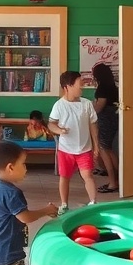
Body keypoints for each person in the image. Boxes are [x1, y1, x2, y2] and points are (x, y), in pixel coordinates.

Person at [48, 70, 99, 215]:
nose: (81, 87)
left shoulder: (86, 104)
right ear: (67, 87)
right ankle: (64, 204)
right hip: (65, 150)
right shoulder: (59, 105)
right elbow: (51, 124)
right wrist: (59, 130)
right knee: (65, 177)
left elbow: (93, 125)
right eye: (79, 84)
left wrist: (96, 145)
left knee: (88, 175)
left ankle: (93, 202)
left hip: (85, 148)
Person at [92, 62, 119, 193]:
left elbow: (100, 106)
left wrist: (90, 113)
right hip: (113, 118)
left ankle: (113, 183)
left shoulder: (102, 88)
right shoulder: (113, 87)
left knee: (104, 149)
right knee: (109, 150)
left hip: (105, 120)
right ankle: (120, 179)